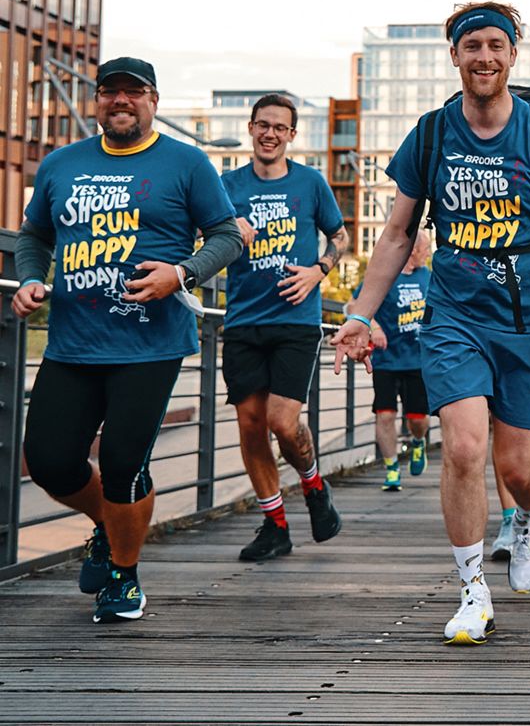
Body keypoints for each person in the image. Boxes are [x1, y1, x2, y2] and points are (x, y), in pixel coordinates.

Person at [331, 1, 530, 646]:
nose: (484, 57)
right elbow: (396, 235)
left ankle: (528, 515)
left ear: (512, 55)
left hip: (529, 320)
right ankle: (472, 590)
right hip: (454, 314)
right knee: (463, 447)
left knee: (519, 468)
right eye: (472, 45)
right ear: (454, 55)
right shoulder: (430, 135)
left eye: (495, 46)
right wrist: (361, 313)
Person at [13, 57, 242, 622]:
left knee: (122, 463)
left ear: (153, 101)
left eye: (133, 92)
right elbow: (34, 235)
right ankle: (107, 524)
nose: (121, 100)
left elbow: (227, 235)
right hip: (72, 341)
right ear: (96, 101)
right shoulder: (61, 164)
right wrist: (31, 279)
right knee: (49, 462)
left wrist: (182, 274)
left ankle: (124, 574)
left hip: (150, 345)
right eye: (109, 92)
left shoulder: (186, 162)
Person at [221, 93, 349, 562]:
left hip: (295, 320)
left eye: (280, 127)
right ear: (251, 128)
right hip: (243, 320)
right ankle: (275, 525)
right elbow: (202, 234)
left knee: (281, 420)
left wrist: (320, 270)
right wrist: (227, 226)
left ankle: (314, 486)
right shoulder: (226, 185)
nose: (270, 133)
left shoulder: (310, 182)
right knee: (251, 426)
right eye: (263, 125)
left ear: (292, 135)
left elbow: (340, 236)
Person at [354, 229, 433, 492]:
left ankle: (418, 442)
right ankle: (391, 469)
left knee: (418, 419)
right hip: (386, 360)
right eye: (426, 249)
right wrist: (373, 327)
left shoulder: (428, 277)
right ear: (413, 250)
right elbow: (354, 305)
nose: (428, 254)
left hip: (417, 360)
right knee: (385, 415)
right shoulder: (386, 275)